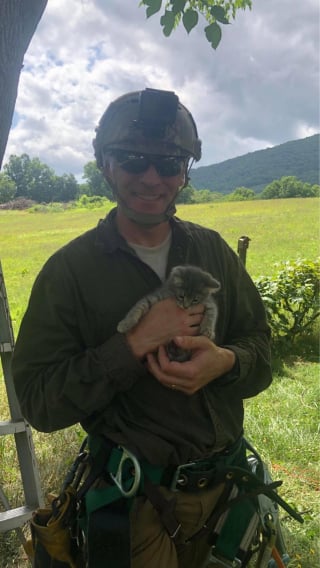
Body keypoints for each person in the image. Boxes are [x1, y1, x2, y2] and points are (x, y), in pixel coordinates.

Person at [12, 88, 272, 568]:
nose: (152, 178)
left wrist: (227, 362)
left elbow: (261, 350)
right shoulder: (69, 273)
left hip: (229, 495)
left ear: (185, 172)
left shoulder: (212, 251)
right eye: (133, 160)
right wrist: (133, 344)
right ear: (105, 165)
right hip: (135, 507)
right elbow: (39, 404)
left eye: (170, 163)